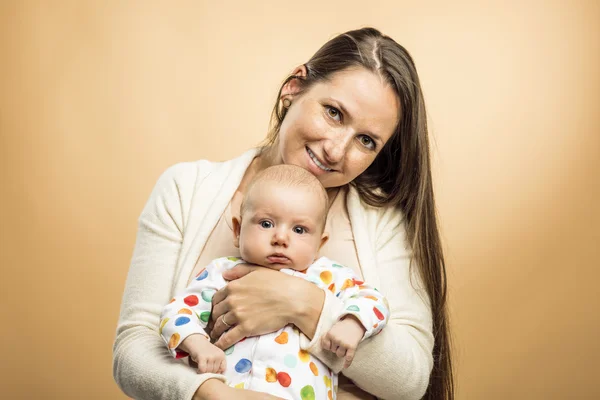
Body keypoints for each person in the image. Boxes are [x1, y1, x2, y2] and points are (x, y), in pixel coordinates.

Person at [113, 27, 454, 400]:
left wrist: (301, 304)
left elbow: (412, 380)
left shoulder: (382, 222)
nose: (336, 151)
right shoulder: (186, 189)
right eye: (334, 113)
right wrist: (215, 395)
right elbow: (134, 347)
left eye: (366, 140)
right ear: (295, 86)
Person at [159, 165, 390, 400]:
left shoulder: (329, 276)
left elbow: (374, 300)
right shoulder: (222, 273)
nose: (281, 238)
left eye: (299, 229)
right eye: (266, 224)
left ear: (320, 243)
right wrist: (199, 345)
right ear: (238, 230)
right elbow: (176, 314)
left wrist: (353, 323)